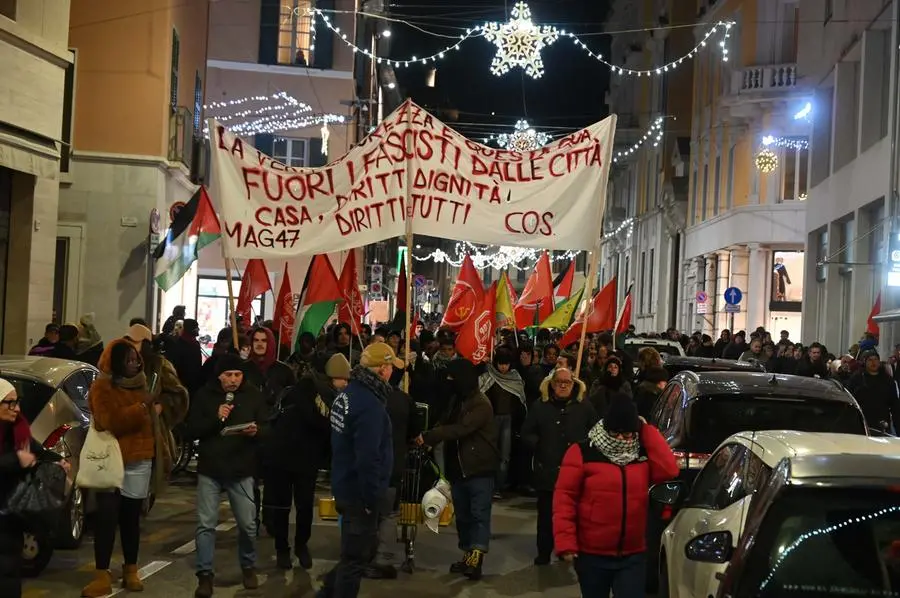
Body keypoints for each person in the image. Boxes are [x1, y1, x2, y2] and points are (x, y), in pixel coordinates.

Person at [554, 398, 678, 597]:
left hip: (633, 554)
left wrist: (646, 430)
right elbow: (564, 499)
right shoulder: (582, 452)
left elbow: (669, 470)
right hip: (592, 554)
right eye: (614, 433)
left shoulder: (641, 453)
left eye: (627, 433)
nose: (620, 438)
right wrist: (566, 542)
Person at [317, 343, 399, 598]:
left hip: (345, 484)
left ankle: (325, 594)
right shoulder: (370, 406)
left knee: (357, 553)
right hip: (359, 494)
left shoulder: (348, 394)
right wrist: (370, 497)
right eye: (391, 367)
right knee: (355, 560)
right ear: (383, 369)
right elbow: (367, 458)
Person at [187, 354, 269, 598]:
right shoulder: (204, 396)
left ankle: (248, 565)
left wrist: (257, 431)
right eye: (228, 375)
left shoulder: (253, 395)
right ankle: (204, 575)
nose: (233, 380)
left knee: (247, 523)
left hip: (241, 469)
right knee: (205, 524)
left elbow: (268, 425)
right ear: (219, 376)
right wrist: (216, 418)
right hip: (211, 469)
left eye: (238, 375)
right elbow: (191, 430)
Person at [81, 340, 157, 597]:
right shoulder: (102, 386)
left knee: (131, 519)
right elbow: (108, 422)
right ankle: (102, 574)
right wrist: (142, 408)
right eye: (129, 359)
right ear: (115, 363)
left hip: (140, 460)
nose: (135, 363)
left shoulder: (144, 384)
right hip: (110, 461)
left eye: (136, 358)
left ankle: (130, 569)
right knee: (106, 519)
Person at [262, 353, 349, 570]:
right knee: (283, 507)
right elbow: (315, 421)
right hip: (284, 457)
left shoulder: (328, 394)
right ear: (332, 376)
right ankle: (282, 549)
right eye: (343, 379)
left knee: (304, 507)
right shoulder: (307, 389)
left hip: (307, 460)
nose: (345, 384)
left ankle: (302, 546)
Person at [419, 359, 499, 580]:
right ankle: (467, 553)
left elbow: (461, 429)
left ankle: (476, 556)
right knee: (463, 515)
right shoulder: (457, 400)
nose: (448, 382)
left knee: (478, 514)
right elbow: (445, 423)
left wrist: (430, 436)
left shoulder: (481, 404)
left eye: (452, 378)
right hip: (459, 468)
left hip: (478, 468)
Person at [521, 367, 598, 565]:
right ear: (552, 383)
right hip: (548, 470)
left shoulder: (584, 407)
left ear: (574, 384)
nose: (563, 385)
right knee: (546, 515)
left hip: (575, 473)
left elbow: (596, 432)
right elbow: (527, 432)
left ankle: (571, 550)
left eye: (567, 382)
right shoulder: (540, 406)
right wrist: (539, 445)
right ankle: (544, 551)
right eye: (559, 382)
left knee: (575, 515)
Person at [0, 379, 67, 598]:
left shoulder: (18, 430)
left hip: (12, 518)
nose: (16, 408)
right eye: (9, 403)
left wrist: (58, 462)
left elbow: (41, 452)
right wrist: (15, 459)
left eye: (16, 402)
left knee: (9, 572)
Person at [478, 348, 526, 497]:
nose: (503, 367)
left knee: (505, 455)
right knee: (490, 454)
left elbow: (520, 400)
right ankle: (488, 487)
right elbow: (481, 394)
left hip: (508, 420)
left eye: (506, 364)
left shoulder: (515, 377)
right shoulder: (488, 376)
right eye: (501, 364)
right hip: (492, 420)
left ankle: (498, 487)